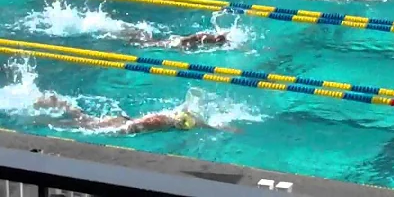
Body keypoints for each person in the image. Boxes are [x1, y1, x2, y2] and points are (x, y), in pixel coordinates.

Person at [33, 94, 239, 134]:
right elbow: (135, 126)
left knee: (86, 122)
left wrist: (224, 128)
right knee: (85, 125)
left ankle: (60, 103)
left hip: (125, 122)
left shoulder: (178, 117)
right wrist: (119, 132)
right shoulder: (163, 121)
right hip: (125, 124)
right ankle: (57, 105)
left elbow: (205, 124)